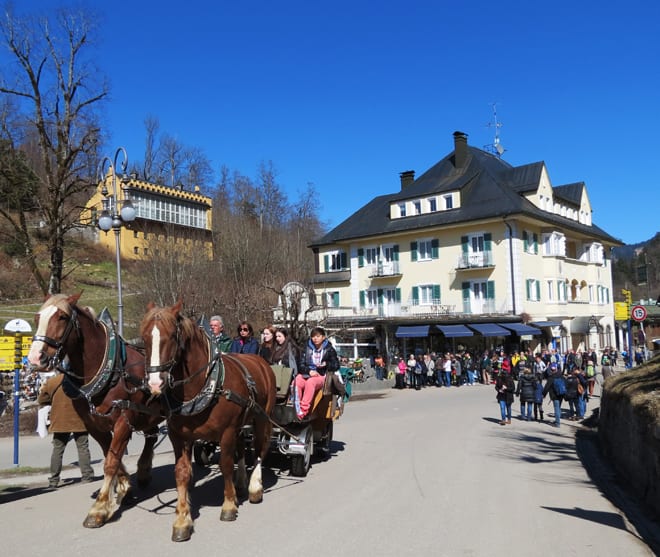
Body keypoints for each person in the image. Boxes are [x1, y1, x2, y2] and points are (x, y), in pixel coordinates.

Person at [37, 373, 94, 488]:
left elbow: (41, 400)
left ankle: (54, 480)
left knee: (58, 450)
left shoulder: (52, 382)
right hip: (79, 418)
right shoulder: (80, 379)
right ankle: (87, 476)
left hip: (60, 419)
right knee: (83, 447)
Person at [294, 327, 339, 419]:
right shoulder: (306, 348)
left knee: (311, 382)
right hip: (307, 373)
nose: (315, 339)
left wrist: (326, 364)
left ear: (323, 337)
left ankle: (303, 410)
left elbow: (336, 365)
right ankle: (296, 407)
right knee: (297, 381)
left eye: (318, 336)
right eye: (313, 336)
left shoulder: (329, 349)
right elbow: (300, 364)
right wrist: (309, 371)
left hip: (321, 375)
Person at [542, 363, 564, 428]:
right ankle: (557, 420)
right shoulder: (561, 375)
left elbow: (546, 387)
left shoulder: (551, 377)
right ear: (556, 368)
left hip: (554, 395)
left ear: (551, 370)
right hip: (561, 394)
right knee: (558, 407)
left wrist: (544, 394)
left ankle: (557, 423)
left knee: (556, 408)